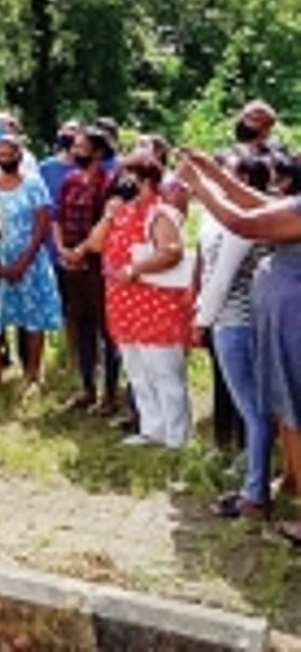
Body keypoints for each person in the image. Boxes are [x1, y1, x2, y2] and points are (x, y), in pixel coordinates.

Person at [179, 147, 301, 546]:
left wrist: (200, 186)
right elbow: (259, 203)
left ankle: (277, 501)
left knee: (291, 411)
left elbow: (245, 221)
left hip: (293, 322)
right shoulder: (292, 206)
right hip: (282, 320)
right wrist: (214, 174)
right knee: (286, 409)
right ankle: (288, 481)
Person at [80, 151, 194, 448]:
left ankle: (176, 435)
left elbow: (171, 251)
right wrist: (108, 215)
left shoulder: (161, 213)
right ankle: (152, 429)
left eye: (129, 177)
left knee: (164, 371)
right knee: (137, 370)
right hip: (124, 304)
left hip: (157, 304)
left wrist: (135, 269)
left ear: (147, 181)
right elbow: (94, 244)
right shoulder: (122, 212)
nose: (122, 183)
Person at [194, 153, 273, 519]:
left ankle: (255, 493)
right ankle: (255, 483)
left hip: (236, 322)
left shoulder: (245, 224)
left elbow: (221, 279)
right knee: (256, 411)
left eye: (228, 174)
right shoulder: (240, 219)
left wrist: (201, 320)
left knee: (254, 412)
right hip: (238, 321)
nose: (221, 179)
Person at [0, 135, 63, 397]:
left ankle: (33, 375)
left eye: (10, 153)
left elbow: (42, 225)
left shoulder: (33, 183)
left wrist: (24, 261)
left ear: (20, 155)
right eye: (1, 154)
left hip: (30, 260)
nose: (5, 158)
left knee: (33, 319)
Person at [55, 126, 121, 414]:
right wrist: (62, 249)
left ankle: (110, 395)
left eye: (82, 147)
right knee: (81, 325)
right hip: (71, 264)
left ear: (98, 151)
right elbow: (58, 216)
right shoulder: (70, 180)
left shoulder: (109, 182)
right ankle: (87, 388)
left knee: (107, 330)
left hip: (98, 265)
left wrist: (81, 251)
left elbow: (107, 225)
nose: (75, 151)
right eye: (74, 146)